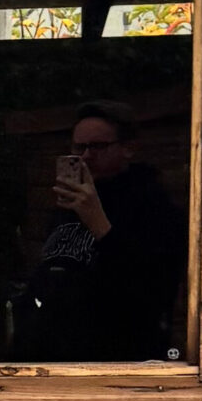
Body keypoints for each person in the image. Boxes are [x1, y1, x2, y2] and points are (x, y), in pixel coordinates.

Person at [10, 104, 187, 361]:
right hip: (53, 357)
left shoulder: (155, 208)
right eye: (78, 148)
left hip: (118, 357)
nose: (86, 157)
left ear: (128, 148)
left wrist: (99, 223)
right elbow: (49, 274)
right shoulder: (68, 206)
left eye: (97, 147)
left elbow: (151, 287)